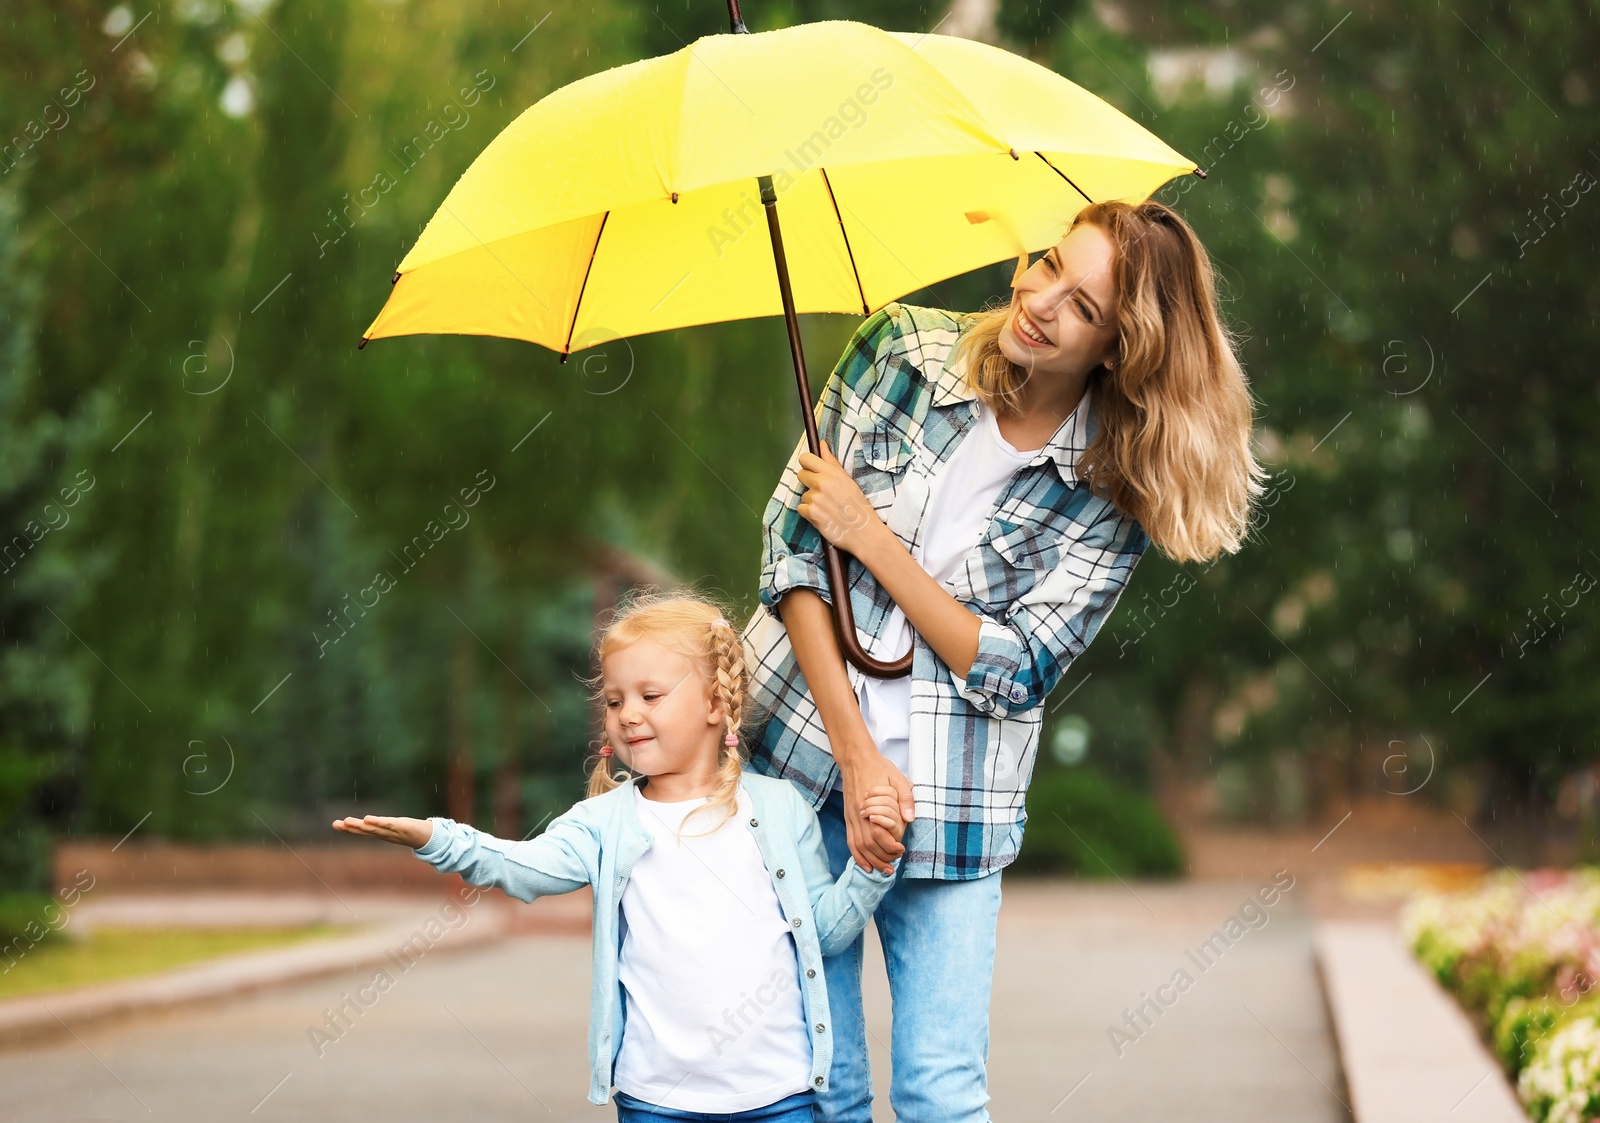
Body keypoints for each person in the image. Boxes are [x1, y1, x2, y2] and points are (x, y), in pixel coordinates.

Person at [741, 198, 1264, 1121]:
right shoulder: (897, 351)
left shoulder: (1111, 491)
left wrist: (869, 534)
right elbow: (791, 563)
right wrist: (859, 757)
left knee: (941, 1094)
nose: (1040, 298)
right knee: (821, 1086)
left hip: (957, 811)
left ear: (1119, 348)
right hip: (800, 767)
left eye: (1085, 304)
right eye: (1050, 262)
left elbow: (1018, 667)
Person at [333, 592, 907, 1121]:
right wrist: (437, 837)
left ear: (714, 702)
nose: (628, 713)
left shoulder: (780, 809)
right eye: (614, 700)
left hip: (780, 1098)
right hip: (655, 1100)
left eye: (650, 696)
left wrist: (870, 869)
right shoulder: (606, 821)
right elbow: (523, 867)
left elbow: (824, 934)